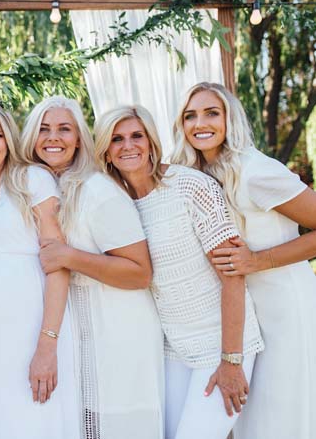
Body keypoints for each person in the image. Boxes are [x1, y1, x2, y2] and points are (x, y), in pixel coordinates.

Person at [94, 105, 264, 439]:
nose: (128, 145)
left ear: (152, 142)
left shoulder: (189, 187)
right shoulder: (115, 201)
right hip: (174, 350)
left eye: (136, 136)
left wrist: (232, 360)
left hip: (223, 344)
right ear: (106, 151)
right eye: (117, 139)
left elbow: (232, 274)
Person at [171, 81, 316, 439]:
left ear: (229, 119)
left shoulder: (256, 171)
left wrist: (257, 260)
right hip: (241, 317)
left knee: (280, 416)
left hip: (284, 310)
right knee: (245, 419)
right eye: (190, 116)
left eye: (211, 113)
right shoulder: (192, 176)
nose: (199, 123)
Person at [19, 96, 164, 439]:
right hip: (85, 333)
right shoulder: (45, 189)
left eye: (64, 129)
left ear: (80, 138)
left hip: (120, 331)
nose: (53, 137)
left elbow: (140, 272)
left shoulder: (97, 190)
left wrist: (70, 257)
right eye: (44, 129)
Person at [0, 99, 79, 439]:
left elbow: (58, 266)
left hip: (30, 333)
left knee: (32, 420)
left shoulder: (31, 180)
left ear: (9, 139)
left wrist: (47, 345)